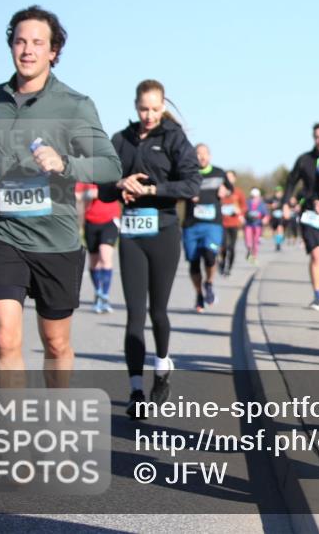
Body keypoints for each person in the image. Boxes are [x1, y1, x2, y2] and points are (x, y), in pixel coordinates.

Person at [0, 5, 122, 386]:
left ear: (54, 51)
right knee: (6, 339)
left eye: (38, 42)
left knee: (55, 344)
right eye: (20, 41)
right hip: (2, 235)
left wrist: (65, 163)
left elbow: (110, 167)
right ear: (11, 46)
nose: (28, 50)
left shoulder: (75, 105)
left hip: (56, 241)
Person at [101, 80, 200, 417]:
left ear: (162, 106)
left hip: (164, 231)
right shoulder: (121, 139)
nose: (149, 115)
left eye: (155, 109)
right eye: (144, 109)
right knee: (134, 315)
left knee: (158, 312)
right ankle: (135, 391)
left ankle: (161, 369)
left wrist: (152, 189)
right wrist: (119, 183)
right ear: (135, 105)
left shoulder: (173, 137)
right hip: (130, 232)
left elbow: (191, 183)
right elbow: (102, 189)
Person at [284, 123, 319, 310]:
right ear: (313, 137)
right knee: (315, 255)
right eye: (317, 137)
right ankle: (318, 296)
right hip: (310, 213)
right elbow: (290, 182)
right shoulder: (304, 160)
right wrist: (286, 203)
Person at [183, 144, 231, 312]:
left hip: (212, 223)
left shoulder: (219, 173)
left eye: (204, 154)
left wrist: (225, 190)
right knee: (194, 262)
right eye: (198, 154)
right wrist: (186, 193)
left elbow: (230, 189)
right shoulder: (187, 174)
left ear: (210, 156)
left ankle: (209, 283)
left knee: (210, 256)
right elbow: (176, 191)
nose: (202, 157)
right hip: (191, 224)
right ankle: (198, 294)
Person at [75, 181, 120, 313]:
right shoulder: (85, 176)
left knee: (105, 256)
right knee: (94, 261)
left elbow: (119, 189)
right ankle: (98, 293)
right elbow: (76, 195)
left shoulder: (111, 173)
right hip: (91, 222)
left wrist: (103, 192)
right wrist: (89, 194)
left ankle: (105, 296)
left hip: (110, 220)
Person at [219, 170, 246, 275]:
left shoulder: (238, 192)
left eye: (231, 177)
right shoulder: (220, 191)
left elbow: (244, 207)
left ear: (234, 179)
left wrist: (239, 210)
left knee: (232, 247)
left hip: (234, 223)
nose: (229, 179)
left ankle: (229, 267)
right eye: (227, 177)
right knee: (224, 246)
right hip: (222, 223)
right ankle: (222, 262)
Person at [243, 187, 270, 264]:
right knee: (248, 241)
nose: (254, 198)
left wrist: (265, 219)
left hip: (258, 225)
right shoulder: (247, 203)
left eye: (256, 197)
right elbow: (243, 211)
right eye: (253, 197)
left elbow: (266, 214)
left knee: (255, 241)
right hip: (248, 224)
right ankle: (249, 251)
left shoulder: (262, 204)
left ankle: (254, 257)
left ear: (259, 196)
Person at [268, 186, 286, 252]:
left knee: (280, 229)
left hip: (281, 217)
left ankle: (279, 244)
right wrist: (271, 206)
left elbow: (288, 206)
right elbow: (265, 204)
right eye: (277, 192)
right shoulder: (272, 199)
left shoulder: (284, 199)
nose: (278, 193)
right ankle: (277, 242)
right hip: (273, 217)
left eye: (279, 192)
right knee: (274, 231)